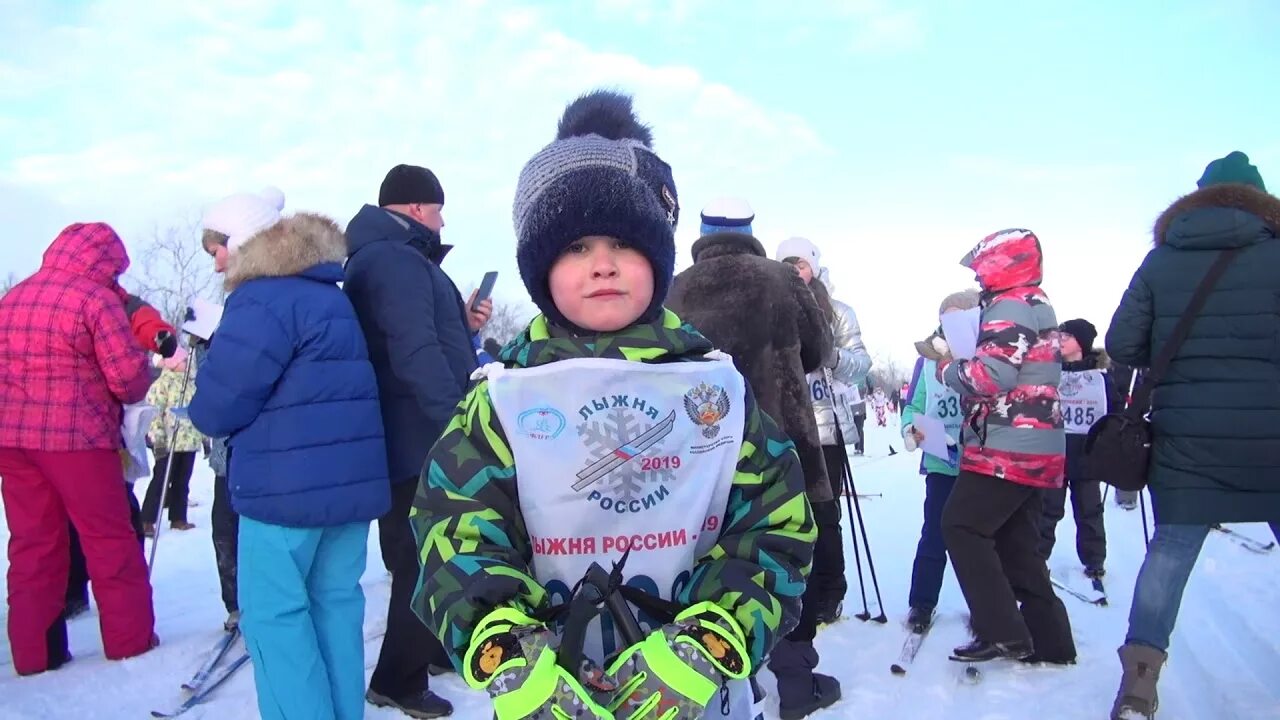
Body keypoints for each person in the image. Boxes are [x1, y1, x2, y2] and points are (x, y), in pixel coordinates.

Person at [409, 90, 815, 720]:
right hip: (553, 693)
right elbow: (455, 533)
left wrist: (711, 641)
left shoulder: (713, 389)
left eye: (623, 245)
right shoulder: (505, 398)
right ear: (541, 270)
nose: (601, 265)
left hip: (697, 691)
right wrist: (508, 648)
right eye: (574, 248)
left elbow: (772, 527)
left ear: (657, 260)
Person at [190, 192, 391, 720]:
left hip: (283, 495)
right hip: (347, 490)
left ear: (249, 242)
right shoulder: (327, 293)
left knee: (275, 617)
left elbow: (218, 406)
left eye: (220, 246)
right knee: (335, 608)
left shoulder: (261, 300)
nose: (215, 260)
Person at [1105, 151, 1280, 720]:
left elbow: (1124, 347)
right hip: (1273, 432)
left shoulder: (1161, 262)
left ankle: (1138, 685)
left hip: (1187, 434)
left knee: (1171, 552)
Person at [668, 200, 839, 719]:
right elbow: (820, 351)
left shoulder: (674, 287)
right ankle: (794, 681)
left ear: (702, 234)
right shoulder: (783, 280)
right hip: (782, 439)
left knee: (714, 557)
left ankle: (715, 680)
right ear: (749, 232)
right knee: (782, 555)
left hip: (699, 451)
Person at [343, 164, 491, 717]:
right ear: (414, 209)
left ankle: (429, 650)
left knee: (427, 549)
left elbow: (424, 338)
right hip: (418, 435)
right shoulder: (395, 261)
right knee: (424, 557)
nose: (442, 219)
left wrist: (467, 326)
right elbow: (414, 352)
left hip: (409, 430)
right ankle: (396, 680)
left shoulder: (387, 259)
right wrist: (460, 422)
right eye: (437, 209)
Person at [0, 222, 158, 675]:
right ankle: (131, 643)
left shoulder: (13, 297)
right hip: (76, 439)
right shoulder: (95, 299)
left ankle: (35, 656)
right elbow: (127, 379)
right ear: (104, 263)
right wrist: (146, 366)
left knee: (31, 546)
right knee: (108, 540)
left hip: (12, 441)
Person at [936, 228, 1075, 665]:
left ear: (1002, 265)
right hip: (1036, 443)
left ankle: (1003, 631)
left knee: (961, 526)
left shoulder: (1009, 304)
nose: (978, 278)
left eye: (982, 269)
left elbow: (991, 377)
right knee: (1016, 542)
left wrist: (947, 369)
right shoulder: (1036, 300)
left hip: (1007, 443)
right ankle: (1050, 640)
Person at [776, 236, 873, 627]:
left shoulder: (837, 311)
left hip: (825, 427)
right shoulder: (772, 305)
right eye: (786, 263)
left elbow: (861, 362)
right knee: (786, 516)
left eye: (800, 263)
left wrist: (828, 354)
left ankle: (831, 590)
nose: (794, 270)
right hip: (784, 423)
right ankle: (793, 589)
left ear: (813, 266)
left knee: (824, 514)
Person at [900, 289, 979, 630]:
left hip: (980, 463)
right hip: (940, 463)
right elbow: (914, 406)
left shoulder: (985, 358)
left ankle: (986, 607)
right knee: (935, 534)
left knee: (978, 540)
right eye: (948, 318)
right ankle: (921, 603)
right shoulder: (927, 360)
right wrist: (910, 429)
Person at [1036, 318, 1117, 578]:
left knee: (1089, 509)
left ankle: (1094, 559)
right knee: (1047, 510)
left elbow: (1113, 412)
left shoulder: (1102, 378)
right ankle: (1037, 557)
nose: (1060, 339)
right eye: (1059, 334)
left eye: (1067, 336)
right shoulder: (1049, 372)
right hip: (1054, 453)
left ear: (1081, 343)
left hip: (1086, 454)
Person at [141, 350, 201, 536]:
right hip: (169, 442)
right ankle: (147, 519)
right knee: (161, 480)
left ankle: (178, 517)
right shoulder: (161, 385)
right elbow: (154, 414)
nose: (187, 364)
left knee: (182, 481)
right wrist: (157, 439)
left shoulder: (191, 385)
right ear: (173, 363)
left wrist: (204, 438)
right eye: (183, 361)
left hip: (188, 441)